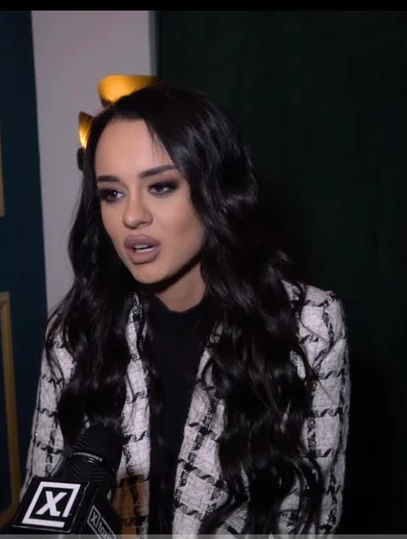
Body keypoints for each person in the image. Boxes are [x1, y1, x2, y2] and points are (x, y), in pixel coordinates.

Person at [22, 83, 350, 536]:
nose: (132, 216)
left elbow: (310, 522)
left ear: (217, 192)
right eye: (112, 194)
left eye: (160, 186)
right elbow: (43, 505)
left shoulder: (308, 326)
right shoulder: (74, 332)